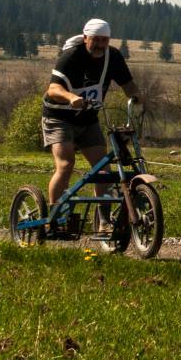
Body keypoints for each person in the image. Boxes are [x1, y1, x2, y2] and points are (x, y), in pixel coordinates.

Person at [42, 18, 142, 217]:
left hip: (88, 119)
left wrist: (137, 97)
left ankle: (103, 219)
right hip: (59, 117)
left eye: (104, 40)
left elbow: (128, 85)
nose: (100, 45)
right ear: (85, 37)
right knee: (65, 165)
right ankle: (53, 216)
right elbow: (53, 89)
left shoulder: (113, 57)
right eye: (96, 40)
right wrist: (71, 97)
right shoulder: (71, 56)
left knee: (103, 170)